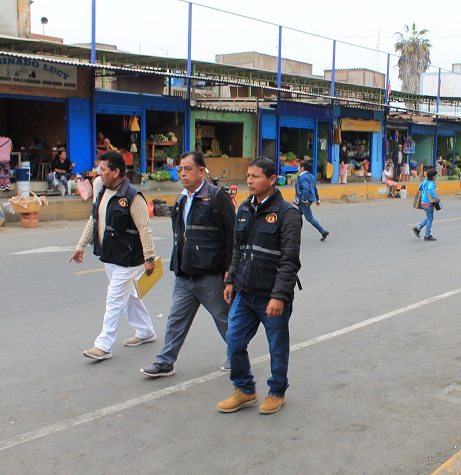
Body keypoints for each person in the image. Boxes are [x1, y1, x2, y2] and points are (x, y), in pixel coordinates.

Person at [217, 157, 302, 415]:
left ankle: (277, 392)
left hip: (271, 296)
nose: (249, 181)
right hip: (245, 291)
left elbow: (289, 261)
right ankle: (244, 389)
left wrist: (278, 296)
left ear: (272, 180)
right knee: (233, 341)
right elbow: (237, 249)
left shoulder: (288, 213)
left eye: (255, 176)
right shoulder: (244, 208)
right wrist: (231, 279)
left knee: (277, 346)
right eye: (248, 176)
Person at [140, 151, 236, 377]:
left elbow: (232, 237)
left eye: (188, 169)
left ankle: (237, 355)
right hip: (184, 274)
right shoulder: (182, 198)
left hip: (210, 276)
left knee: (224, 319)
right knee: (176, 320)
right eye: (180, 169)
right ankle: (165, 361)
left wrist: (229, 272)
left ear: (201, 171)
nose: (182, 173)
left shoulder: (216, 197)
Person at [69, 150, 157, 361]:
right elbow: (94, 220)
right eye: (98, 168)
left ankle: (103, 345)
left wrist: (150, 257)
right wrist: (81, 245)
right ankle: (146, 332)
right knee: (129, 297)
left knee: (114, 299)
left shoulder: (133, 197)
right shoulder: (102, 191)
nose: (98, 173)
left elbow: (144, 228)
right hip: (110, 255)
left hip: (128, 258)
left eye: (103, 169)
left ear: (116, 172)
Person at [294, 160, 329, 241]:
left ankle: (323, 231)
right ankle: (294, 233)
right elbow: (314, 189)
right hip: (306, 200)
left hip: (303, 201)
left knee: (309, 218)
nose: (298, 168)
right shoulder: (311, 176)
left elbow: (306, 188)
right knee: (295, 215)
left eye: (299, 167)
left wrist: (304, 199)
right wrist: (317, 199)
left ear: (302, 168)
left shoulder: (303, 177)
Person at [412, 168, 439, 241]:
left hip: (423, 202)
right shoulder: (431, 183)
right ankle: (427, 234)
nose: (436, 177)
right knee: (430, 218)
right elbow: (430, 189)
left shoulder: (425, 182)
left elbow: (419, 187)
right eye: (435, 176)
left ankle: (418, 228)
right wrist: (435, 198)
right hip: (428, 203)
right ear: (433, 177)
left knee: (429, 217)